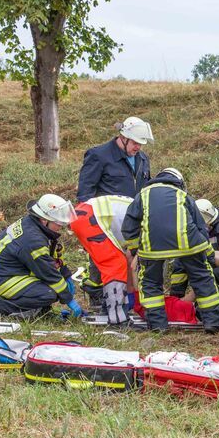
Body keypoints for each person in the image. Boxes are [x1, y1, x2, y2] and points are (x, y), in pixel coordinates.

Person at [121, 168, 219, 333]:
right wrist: (206, 251)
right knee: (202, 278)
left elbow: (129, 224)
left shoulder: (143, 195)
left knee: (150, 283)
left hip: (152, 247)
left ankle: (158, 326)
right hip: (188, 243)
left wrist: (134, 249)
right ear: (179, 182)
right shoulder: (182, 195)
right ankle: (212, 322)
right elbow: (200, 226)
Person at [76, 116, 154, 303]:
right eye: (135, 143)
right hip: (103, 219)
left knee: (128, 259)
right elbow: (85, 192)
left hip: (131, 219)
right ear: (123, 137)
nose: (138, 148)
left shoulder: (142, 159)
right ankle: (96, 292)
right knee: (102, 259)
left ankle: (125, 295)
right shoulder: (99, 155)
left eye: (141, 144)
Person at [0, 194, 82, 320]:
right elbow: (48, 273)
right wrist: (68, 298)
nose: (61, 226)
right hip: (0, 278)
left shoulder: (36, 227)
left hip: (13, 272)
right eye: (58, 222)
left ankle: (39, 310)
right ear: (45, 219)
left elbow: (51, 257)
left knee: (52, 289)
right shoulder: (33, 239)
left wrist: (66, 275)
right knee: (49, 293)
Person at [70, 195, 134, 324]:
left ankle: (109, 305)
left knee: (114, 262)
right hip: (92, 218)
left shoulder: (146, 208)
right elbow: (135, 262)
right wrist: (132, 293)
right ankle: (117, 317)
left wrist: (130, 293)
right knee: (115, 264)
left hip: (85, 215)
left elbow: (130, 258)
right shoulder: (152, 218)